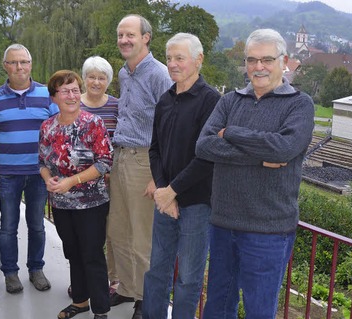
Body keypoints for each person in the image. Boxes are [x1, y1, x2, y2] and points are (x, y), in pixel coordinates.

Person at [195, 28, 315, 319]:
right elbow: (204, 146)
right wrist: (260, 159)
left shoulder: (300, 104)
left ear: (283, 60)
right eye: (251, 60)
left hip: (268, 230)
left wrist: (232, 133)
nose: (258, 67)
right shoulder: (230, 101)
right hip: (223, 223)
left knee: (259, 311)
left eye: (267, 59)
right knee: (217, 307)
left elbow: (283, 148)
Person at [142, 33, 220, 319]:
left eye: (180, 58)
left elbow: (207, 156)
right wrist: (164, 192)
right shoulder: (165, 100)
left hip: (197, 204)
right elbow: (155, 150)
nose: (172, 64)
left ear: (198, 60)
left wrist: (172, 190)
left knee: (188, 277)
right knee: (156, 271)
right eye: (169, 58)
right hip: (166, 200)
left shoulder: (212, 101)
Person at [108, 14, 173, 318]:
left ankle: (146, 299)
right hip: (121, 157)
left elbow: (171, 125)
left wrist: (159, 177)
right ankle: (126, 289)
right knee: (119, 231)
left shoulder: (160, 74)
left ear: (146, 37)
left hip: (145, 161)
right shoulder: (124, 73)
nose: (124, 40)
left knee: (141, 237)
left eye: (130, 35)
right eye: (121, 35)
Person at [0, 43, 58, 294]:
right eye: (13, 62)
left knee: (37, 224)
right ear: (5, 66)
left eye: (23, 62)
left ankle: (36, 269)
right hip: (7, 174)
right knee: (8, 226)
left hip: (40, 173)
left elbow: (58, 132)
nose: (19, 67)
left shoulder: (47, 94)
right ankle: (11, 273)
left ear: (31, 64)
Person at [39, 70, 113, 319]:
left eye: (74, 90)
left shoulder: (93, 124)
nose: (71, 96)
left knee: (92, 255)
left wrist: (72, 181)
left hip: (91, 203)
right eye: (64, 91)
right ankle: (80, 301)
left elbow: (104, 162)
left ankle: (101, 310)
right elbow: (42, 162)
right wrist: (49, 179)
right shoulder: (47, 127)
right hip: (61, 204)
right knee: (73, 252)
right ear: (53, 97)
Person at [61, 55, 120, 299]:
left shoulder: (117, 105)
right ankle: (82, 282)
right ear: (84, 79)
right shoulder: (74, 104)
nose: (96, 82)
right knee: (84, 237)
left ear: (109, 81)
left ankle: (115, 280)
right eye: (92, 77)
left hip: (112, 179)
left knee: (114, 231)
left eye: (102, 77)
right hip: (80, 185)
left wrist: (108, 172)